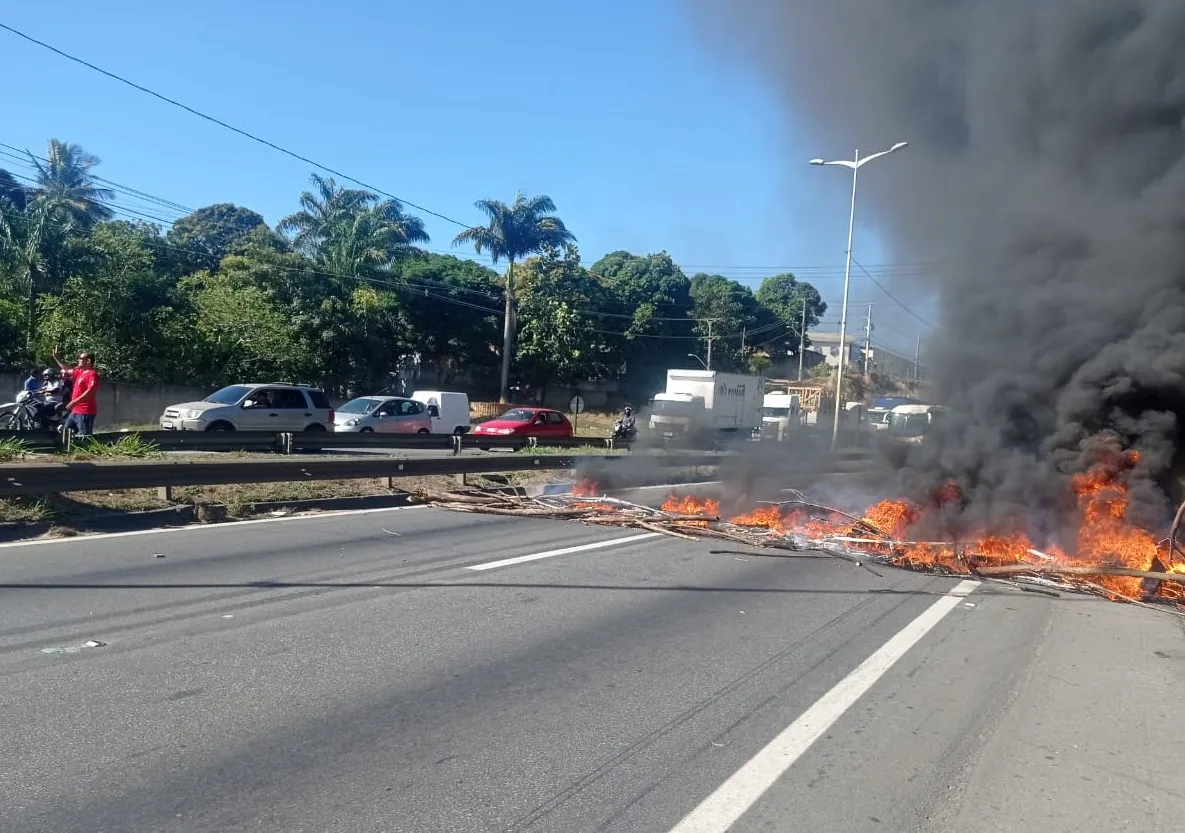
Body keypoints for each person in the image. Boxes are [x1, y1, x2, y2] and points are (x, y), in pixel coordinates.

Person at [53, 347, 99, 436]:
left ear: (88, 361)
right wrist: (57, 358)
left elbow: (91, 391)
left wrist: (75, 401)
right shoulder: (80, 372)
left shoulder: (92, 374)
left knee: (85, 437)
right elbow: (66, 369)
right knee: (66, 435)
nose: (78, 360)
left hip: (85, 411)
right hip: (75, 411)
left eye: (81, 358)